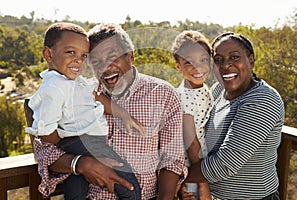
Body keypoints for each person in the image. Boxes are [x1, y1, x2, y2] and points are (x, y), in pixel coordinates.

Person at [32, 22, 187, 200]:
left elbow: (172, 160)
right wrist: (80, 164)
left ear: (131, 56)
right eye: (96, 61)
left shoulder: (164, 95)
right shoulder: (78, 93)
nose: (105, 68)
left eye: (113, 57)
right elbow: (44, 149)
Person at [26, 22, 144, 200]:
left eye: (83, 56)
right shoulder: (53, 88)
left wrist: (123, 115)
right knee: (129, 185)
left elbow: (97, 97)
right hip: (82, 140)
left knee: (77, 187)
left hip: (79, 142)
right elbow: (45, 131)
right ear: (48, 54)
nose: (78, 60)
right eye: (70, 52)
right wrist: (63, 138)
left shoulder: (73, 81)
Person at [186, 32, 285, 199]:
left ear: (251, 60)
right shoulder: (219, 90)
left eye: (234, 57)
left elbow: (226, 163)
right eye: (218, 60)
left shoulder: (262, 99)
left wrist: (177, 178)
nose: (226, 65)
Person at [171, 30, 213, 200]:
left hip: (204, 162)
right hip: (192, 166)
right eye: (189, 62)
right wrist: (201, 178)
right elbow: (191, 142)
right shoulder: (183, 97)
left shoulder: (203, 89)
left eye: (203, 60)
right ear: (178, 66)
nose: (197, 67)